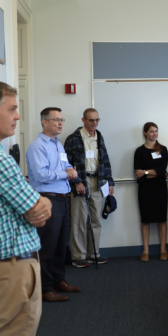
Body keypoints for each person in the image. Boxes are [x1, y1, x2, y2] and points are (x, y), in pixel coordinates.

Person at [0, 82, 52, 335]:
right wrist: (46, 201)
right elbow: (37, 212)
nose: (18, 116)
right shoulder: (1, 160)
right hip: (11, 269)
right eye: (12, 109)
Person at [26, 107, 82, 302]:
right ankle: (44, 288)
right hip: (47, 198)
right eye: (56, 120)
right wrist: (64, 174)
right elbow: (42, 174)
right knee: (47, 246)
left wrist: (70, 170)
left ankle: (58, 280)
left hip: (62, 197)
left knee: (60, 244)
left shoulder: (58, 144)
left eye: (61, 119)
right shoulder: (37, 146)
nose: (60, 123)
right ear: (44, 122)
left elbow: (63, 165)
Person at [64, 108, 114, 267]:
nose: (95, 123)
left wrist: (109, 182)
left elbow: (105, 160)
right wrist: (77, 181)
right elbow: (67, 164)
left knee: (96, 220)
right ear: (83, 120)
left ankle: (94, 254)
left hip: (98, 182)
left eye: (97, 120)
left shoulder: (99, 136)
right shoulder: (73, 138)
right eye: (91, 120)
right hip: (81, 183)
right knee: (79, 221)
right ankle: (79, 257)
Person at [134, 122, 168, 262]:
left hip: (160, 188)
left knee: (162, 219)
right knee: (146, 219)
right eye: (151, 131)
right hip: (145, 189)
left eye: (156, 131)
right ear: (145, 133)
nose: (154, 134)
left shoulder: (163, 149)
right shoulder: (140, 151)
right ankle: (146, 251)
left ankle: (163, 250)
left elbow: (163, 171)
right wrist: (157, 173)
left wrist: (146, 172)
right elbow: (138, 173)